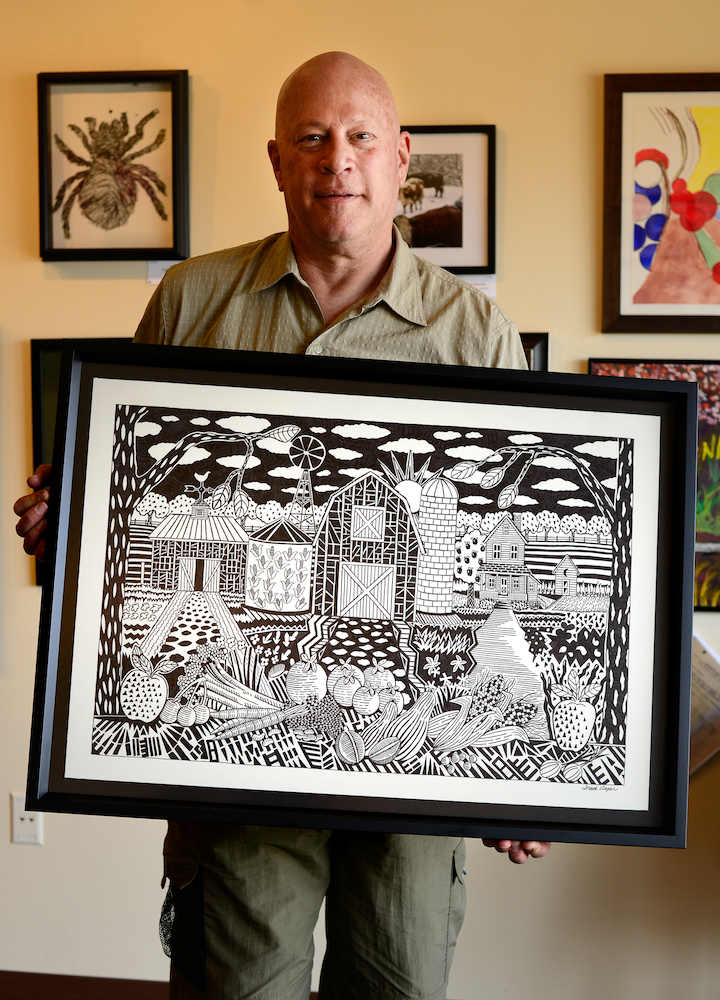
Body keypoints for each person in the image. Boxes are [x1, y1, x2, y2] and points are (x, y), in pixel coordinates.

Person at [15, 52, 549, 1000]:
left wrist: (521, 772)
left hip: (412, 774)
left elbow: (493, 569)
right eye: (310, 139)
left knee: (397, 986)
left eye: (358, 138)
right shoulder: (192, 300)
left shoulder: (477, 333)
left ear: (400, 160)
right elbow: (136, 497)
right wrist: (77, 524)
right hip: (236, 761)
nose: (334, 159)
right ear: (276, 160)